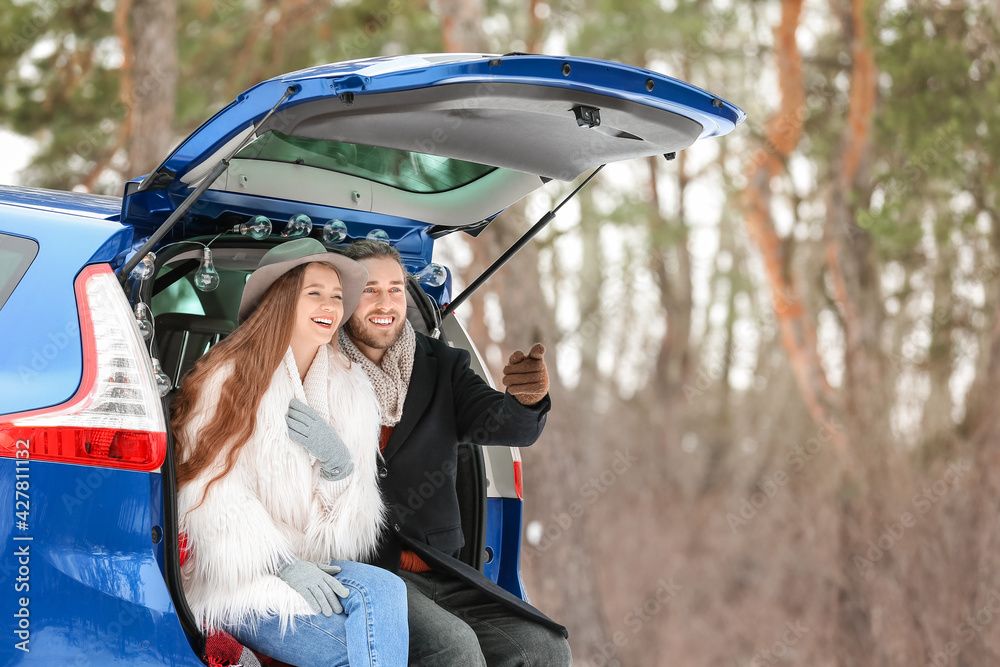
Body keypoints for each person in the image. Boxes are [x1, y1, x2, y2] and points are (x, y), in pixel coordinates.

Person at [171, 238, 408, 667]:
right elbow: (208, 494)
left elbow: (350, 527)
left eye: (337, 296)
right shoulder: (226, 379)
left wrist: (338, 468)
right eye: (314, 293)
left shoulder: (352, 388)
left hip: (311, 557)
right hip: (237, 573)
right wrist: (279, 564)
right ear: (280, 299)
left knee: (388, 590)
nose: (330, 306)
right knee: (350, 649)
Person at [338, 239, 572, 666]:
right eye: (370, 289)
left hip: (440, 566)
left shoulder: (443, 365)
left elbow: (500, 424)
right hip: (364, 568)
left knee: (543, 648)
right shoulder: (319, 367)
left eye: (395, 288)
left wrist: (525, 401)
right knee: (453, 647)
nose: (385, 302)